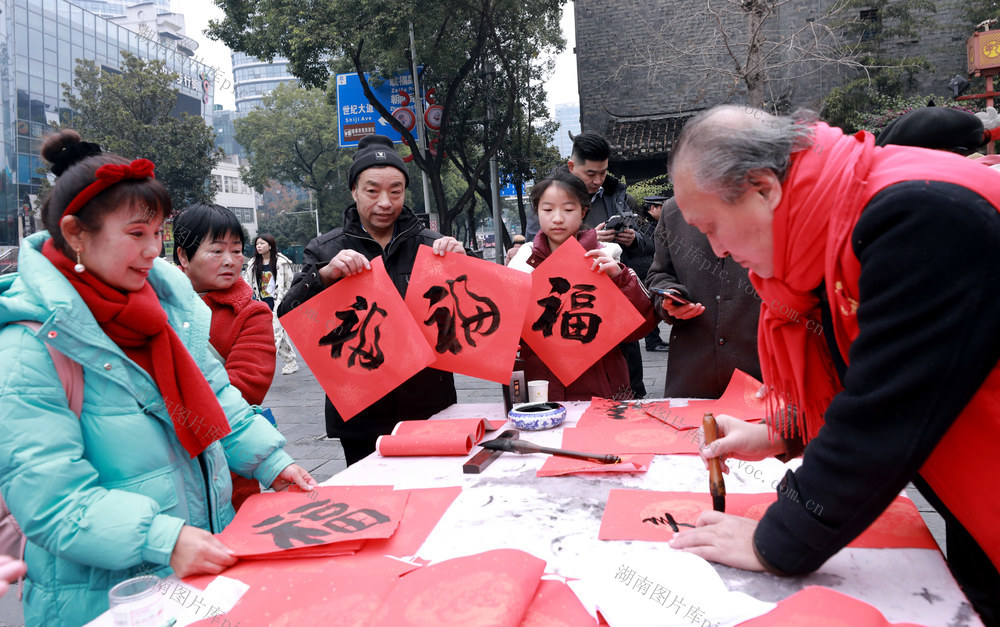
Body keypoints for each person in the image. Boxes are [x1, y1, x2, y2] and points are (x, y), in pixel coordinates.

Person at [664, 105, 1000, 624]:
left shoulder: (918, 216)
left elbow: (885, 416)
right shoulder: (842, 215)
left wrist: (777, 540)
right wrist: (780, 431)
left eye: (711, 227)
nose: (718, 251)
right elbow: (882, 375)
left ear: (763, 187)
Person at [0, 130, 316, 625]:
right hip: (104, 600)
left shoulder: (164, 313)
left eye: (157, 234)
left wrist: (271, 461)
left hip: (198, 574)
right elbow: (51, 500)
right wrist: (162, 539)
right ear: (76, 233)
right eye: (135, 234)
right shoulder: (31, 345)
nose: (153, 251)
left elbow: (214, 396)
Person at [278, 134, 465, 465]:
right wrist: (323, 276)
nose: (385, 202)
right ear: (353, 191)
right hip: (361, 410)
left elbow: (464, 321)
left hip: (427, 403)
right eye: (372, 190)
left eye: (395, 191)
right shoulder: (325, 249)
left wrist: (463, 265)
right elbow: (289, 311)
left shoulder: (431, 245)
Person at [507, 168, 654, 401]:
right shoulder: (521, 263)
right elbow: (504, 332)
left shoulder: (606, 258)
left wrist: (621, 278)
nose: (557, 218)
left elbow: (642, 327)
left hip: (602, 389)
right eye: (547, 209)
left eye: (568, 209)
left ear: (583, 211)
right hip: (541, 391)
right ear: (536, 212)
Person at [173, 203, 277, 510]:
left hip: (228, 463)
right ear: (183, 255)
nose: (230, 261)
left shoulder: (251, 313)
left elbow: (244, 389)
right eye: (216, 251)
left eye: (236, 250)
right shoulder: (154, 303)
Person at [645, 196, 762, 398]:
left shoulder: (770, 202)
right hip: (693, 372)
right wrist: (671, 299)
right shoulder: (674, 210)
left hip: (759, 369)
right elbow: (658, 274)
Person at [244, 233, 300, 375]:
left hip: (279, 303)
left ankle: (262, 364)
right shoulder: (252, 264)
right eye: (257, 244)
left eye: (262, 243)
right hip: (262, 303)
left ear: (270, 245)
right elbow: (247, 284)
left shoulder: (281, 262)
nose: (259, 246)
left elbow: (290, 282)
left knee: (274, 333)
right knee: (278, 332)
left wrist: (287, 300)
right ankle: (291, 361)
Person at [634, 195, 668, 353]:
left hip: (650, 268)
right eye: (661, 206)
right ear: (651, 209)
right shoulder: (644, 227)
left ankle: (656, 339)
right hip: (644, 270)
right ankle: (652, 341)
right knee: (649, 305)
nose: (664, 209)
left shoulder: (656, 225)